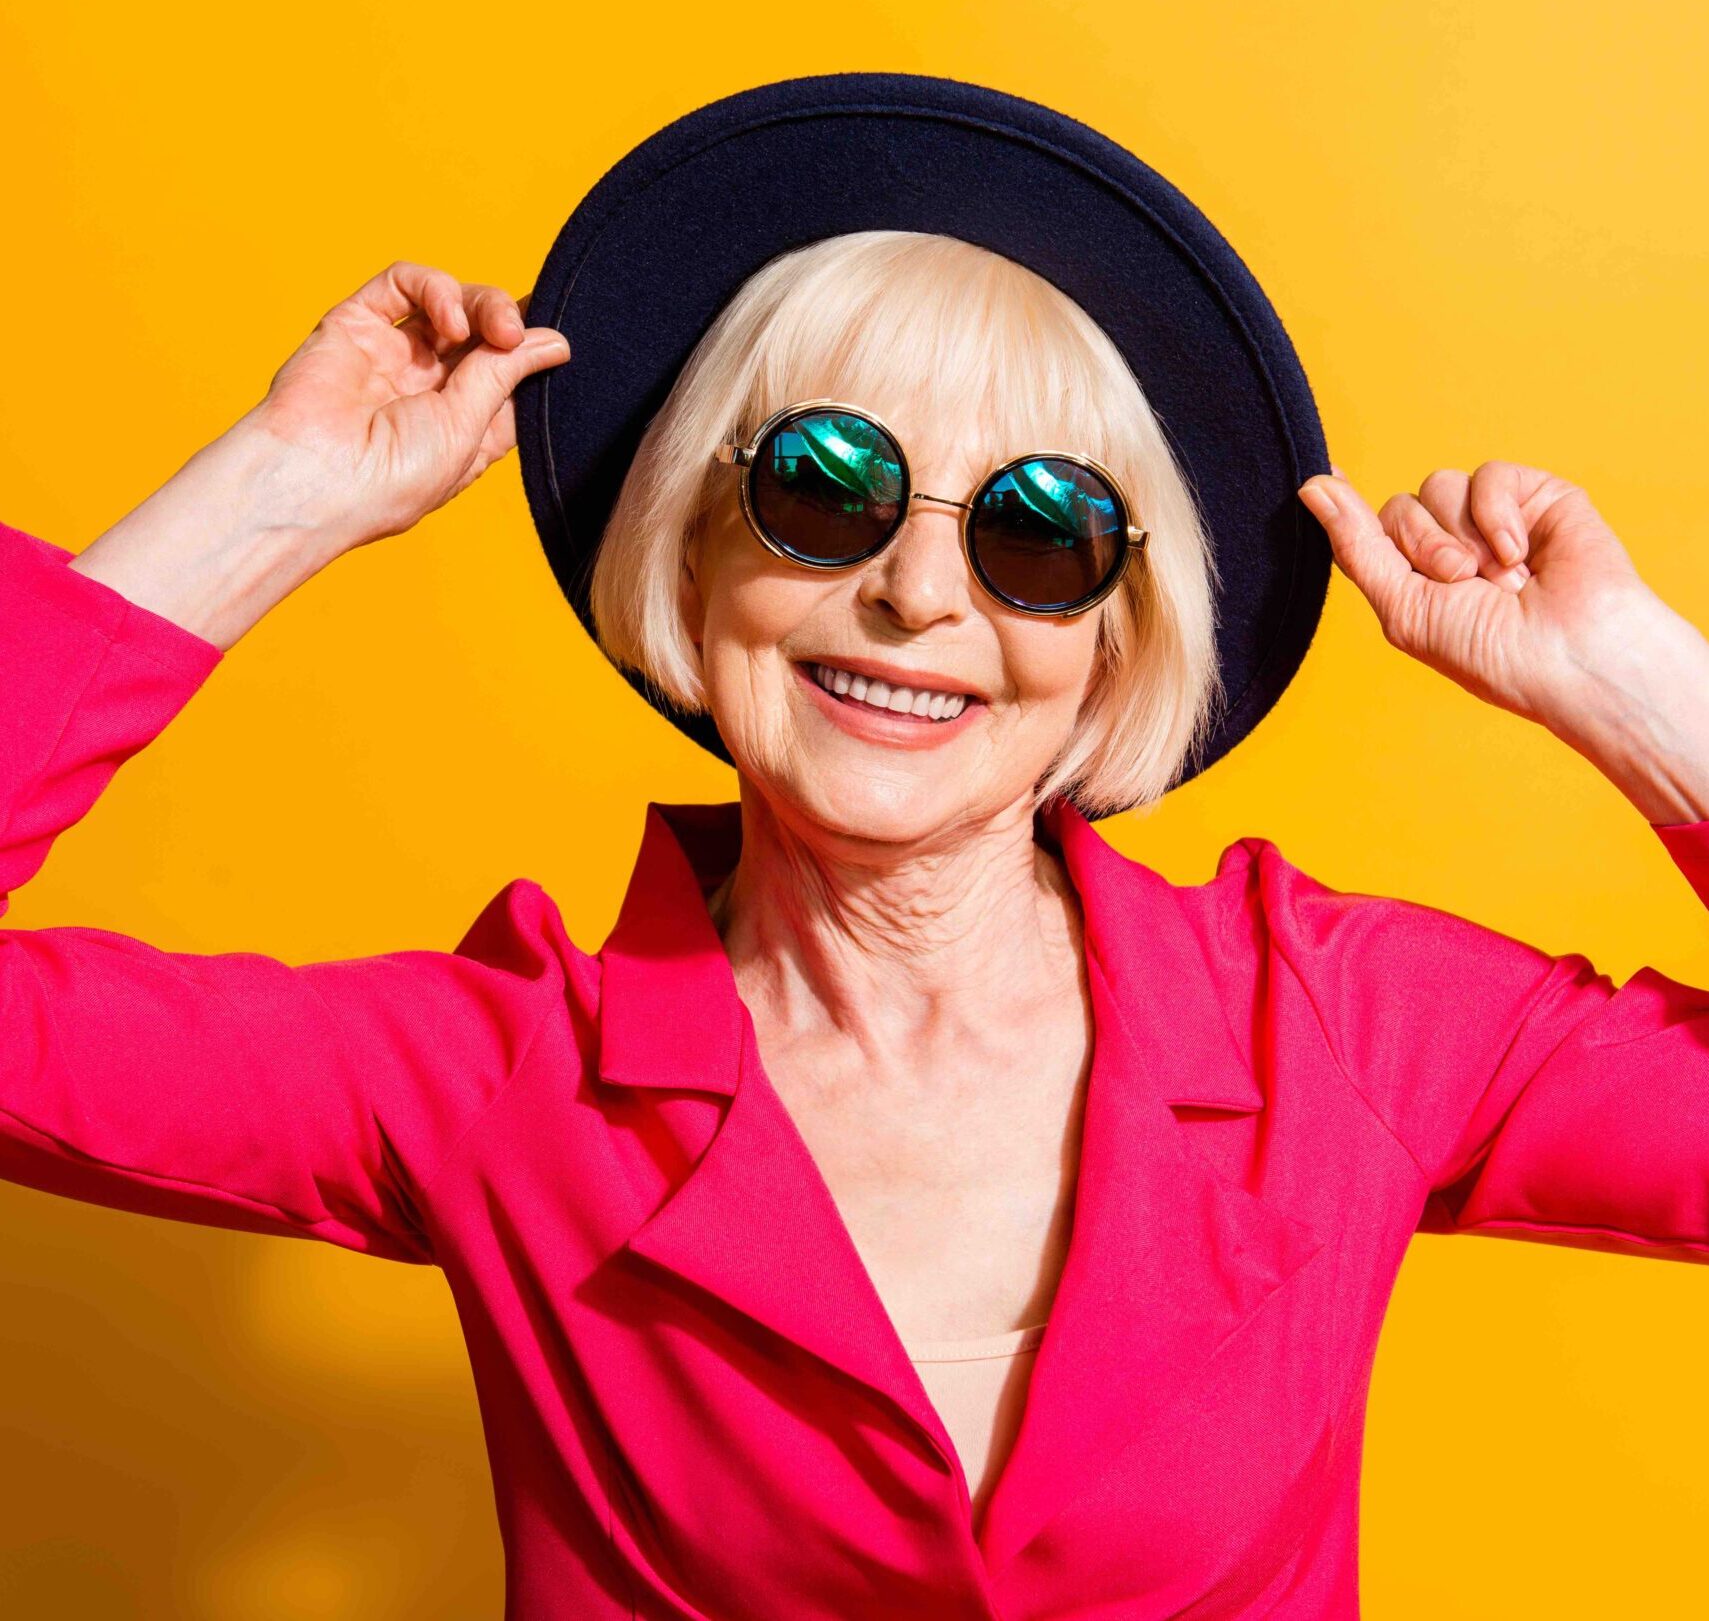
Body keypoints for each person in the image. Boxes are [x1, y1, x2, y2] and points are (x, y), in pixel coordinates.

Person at [6, 88, 1709, 1616]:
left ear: (1118, 634)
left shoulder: (1332, 1025)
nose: (918, 593)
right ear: (689, 540)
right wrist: (274, 497)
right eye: (828, 487)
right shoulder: (505, 1072)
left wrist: (1637, 690)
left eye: (1042, 530)